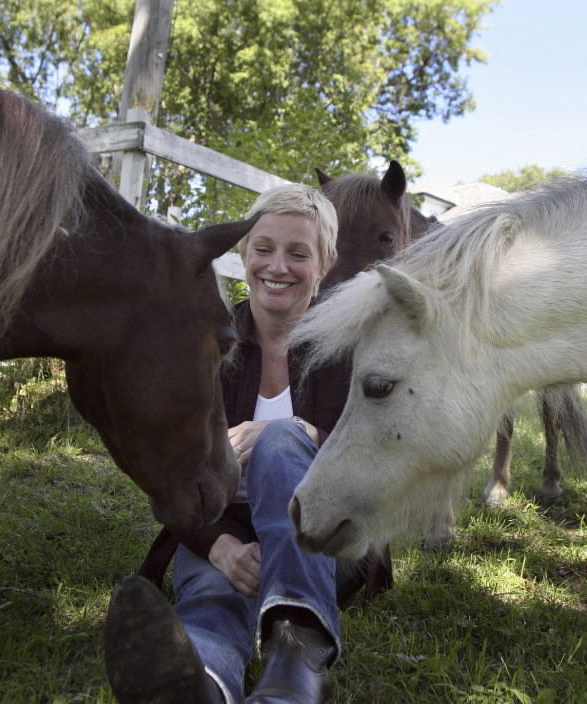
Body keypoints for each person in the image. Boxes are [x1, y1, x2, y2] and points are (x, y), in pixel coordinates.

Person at [105, 183, 347, 704]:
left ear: (325, 264)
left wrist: (305, 433)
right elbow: (172, 473)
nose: (277, 266)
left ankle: (297, 664)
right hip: (219, 526)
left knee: (282, 440)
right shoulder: (202, 342)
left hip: (319, 534)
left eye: (298, 253)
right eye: (263, 249)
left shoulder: (347, 348)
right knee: (214, 596)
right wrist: (222, 547)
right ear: (243, 253)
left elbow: (376, 460)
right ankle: (202, 687)